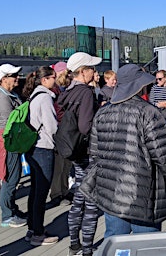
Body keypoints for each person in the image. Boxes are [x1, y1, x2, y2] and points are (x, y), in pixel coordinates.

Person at [80, 63, 166, 240]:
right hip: (142, 192)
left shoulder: (102, 112)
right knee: (147, 245)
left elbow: (94, 153)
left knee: (115, 241)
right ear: (139, 85)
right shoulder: (149, 112)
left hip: (110, 190)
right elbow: (163, 155)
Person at [60, 52, 102, 256]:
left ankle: (74, 244)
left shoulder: (67, 91)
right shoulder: (85, 93)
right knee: (91, 202)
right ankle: (87, 249)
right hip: (88, 152)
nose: (95, 72)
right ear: (83, 71)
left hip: (74, 151)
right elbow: (86, 126)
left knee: (78, 196)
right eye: (92, 68)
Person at [0, 63, 27, 228]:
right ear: (4, 79)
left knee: (12, 177)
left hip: (12, 140)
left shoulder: (9, 94)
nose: (17, 78)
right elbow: (12, 122)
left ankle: (12, 209)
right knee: (10, 178)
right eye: (14, 76)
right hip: (8, 141)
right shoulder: (2, 98)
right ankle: (7, 215)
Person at [22, 66, 59, 246]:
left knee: (35, 190)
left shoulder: (34, 96)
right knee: (41, 192)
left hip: (32, 147)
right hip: (43, 147)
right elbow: (51, 127)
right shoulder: (45, 97)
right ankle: (38, 233)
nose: (56, 80)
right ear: (45, 80)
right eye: (54, 77)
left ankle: (33, 228)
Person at [48, 61, 74, 207]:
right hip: (60, 129)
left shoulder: (63, 90)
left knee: (66, 163)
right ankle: (57, 193)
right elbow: (58, 112)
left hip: (66, 128)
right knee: (59, 164)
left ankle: (64, 190)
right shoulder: (56, 91)